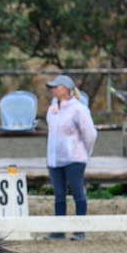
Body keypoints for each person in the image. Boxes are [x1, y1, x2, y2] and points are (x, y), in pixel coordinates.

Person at [44, 74, 97, 240]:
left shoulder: (78, 109)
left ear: (66, 89)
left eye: (56, 87)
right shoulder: (52, 109)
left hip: (74, 158)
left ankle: (80, 230)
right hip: (55, 159)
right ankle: (59, 230)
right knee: (59, 195)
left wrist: (85, 153)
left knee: (77, 192)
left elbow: (90, 134)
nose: (53, 90)